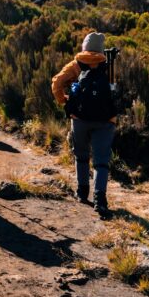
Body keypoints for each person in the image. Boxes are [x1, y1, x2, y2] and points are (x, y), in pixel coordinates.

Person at [51, 31, 116, 218]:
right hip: (106, 121)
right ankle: (100, 199)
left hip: (79, 119)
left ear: (84, 47)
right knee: (101, 160)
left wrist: (66, 102)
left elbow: (56, 83)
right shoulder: (109, 64)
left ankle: (82, 192)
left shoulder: (76, 64)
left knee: (81, 155)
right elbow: (116, 92)